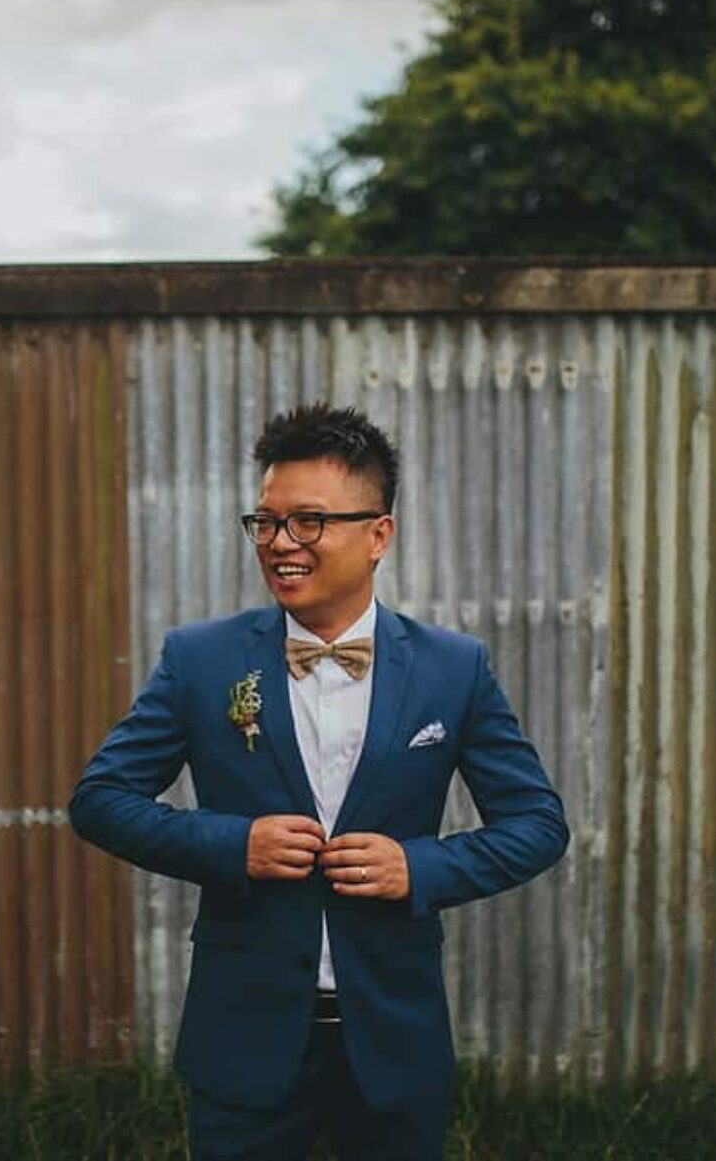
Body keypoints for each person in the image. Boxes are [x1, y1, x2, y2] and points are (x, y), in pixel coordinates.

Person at [68, 403, 568, 1159]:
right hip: (244, 1037)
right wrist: (234, 844)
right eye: (265, 522)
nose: (280, 544)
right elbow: (100, 800)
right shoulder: (201, 660)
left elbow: (537, 822)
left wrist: (418, 866)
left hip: (394, 1037)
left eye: (308, 522)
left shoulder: (452, 667)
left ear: (378, 534)